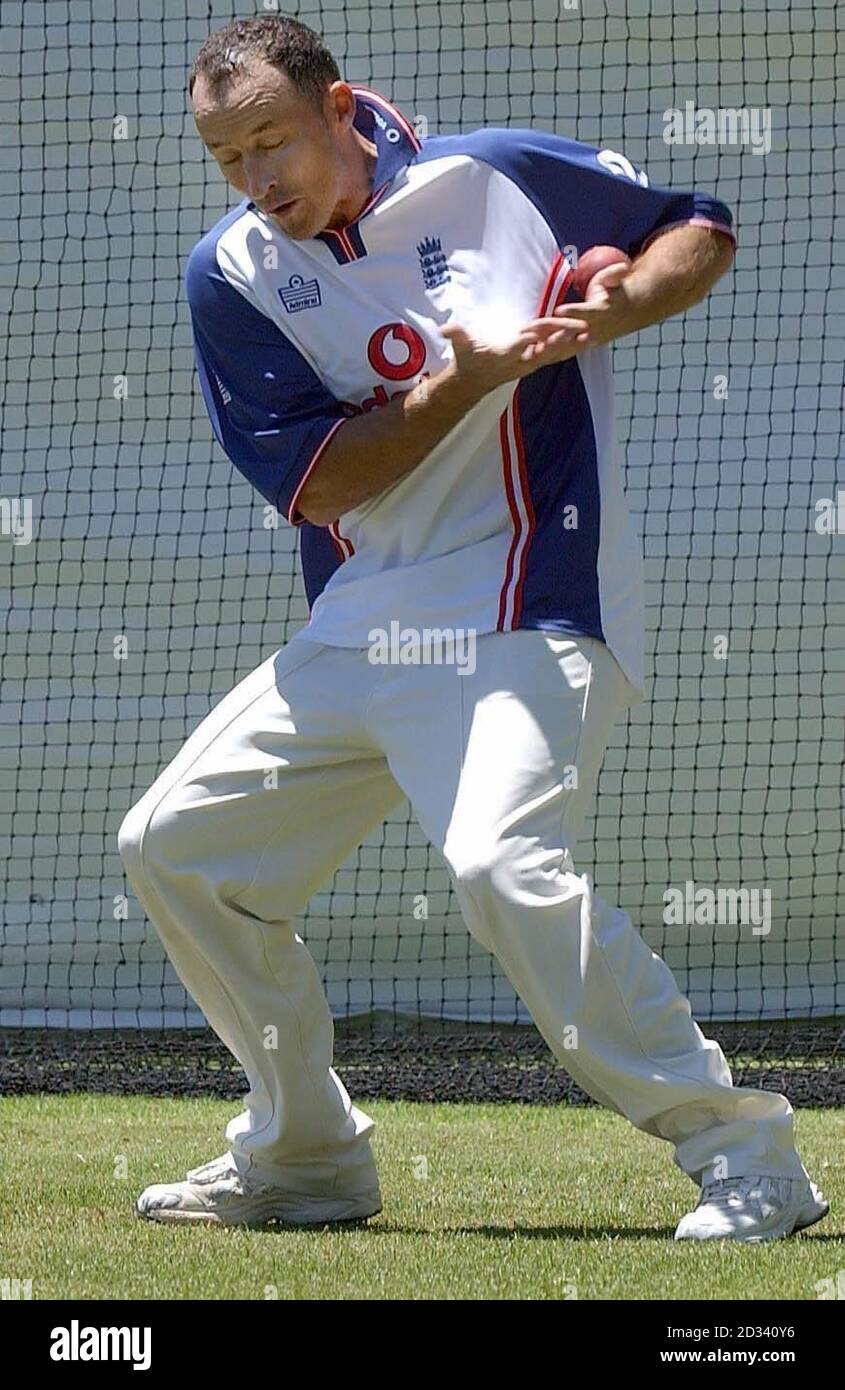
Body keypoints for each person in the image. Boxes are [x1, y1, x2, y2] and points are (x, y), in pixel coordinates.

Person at [118, 14, 828, 1241]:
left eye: (272, 142)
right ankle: (305, 1158)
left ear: (339, 110)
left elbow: (692, 227)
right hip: (366, 620)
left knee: (503, 868)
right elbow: (328, 482)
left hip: (532, 599)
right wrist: (468, 375)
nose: (254, 181)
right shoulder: (229, 274)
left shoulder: (495, 175)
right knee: (175, 847)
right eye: (226, 158)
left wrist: (615, 308)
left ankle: (745, 1154)